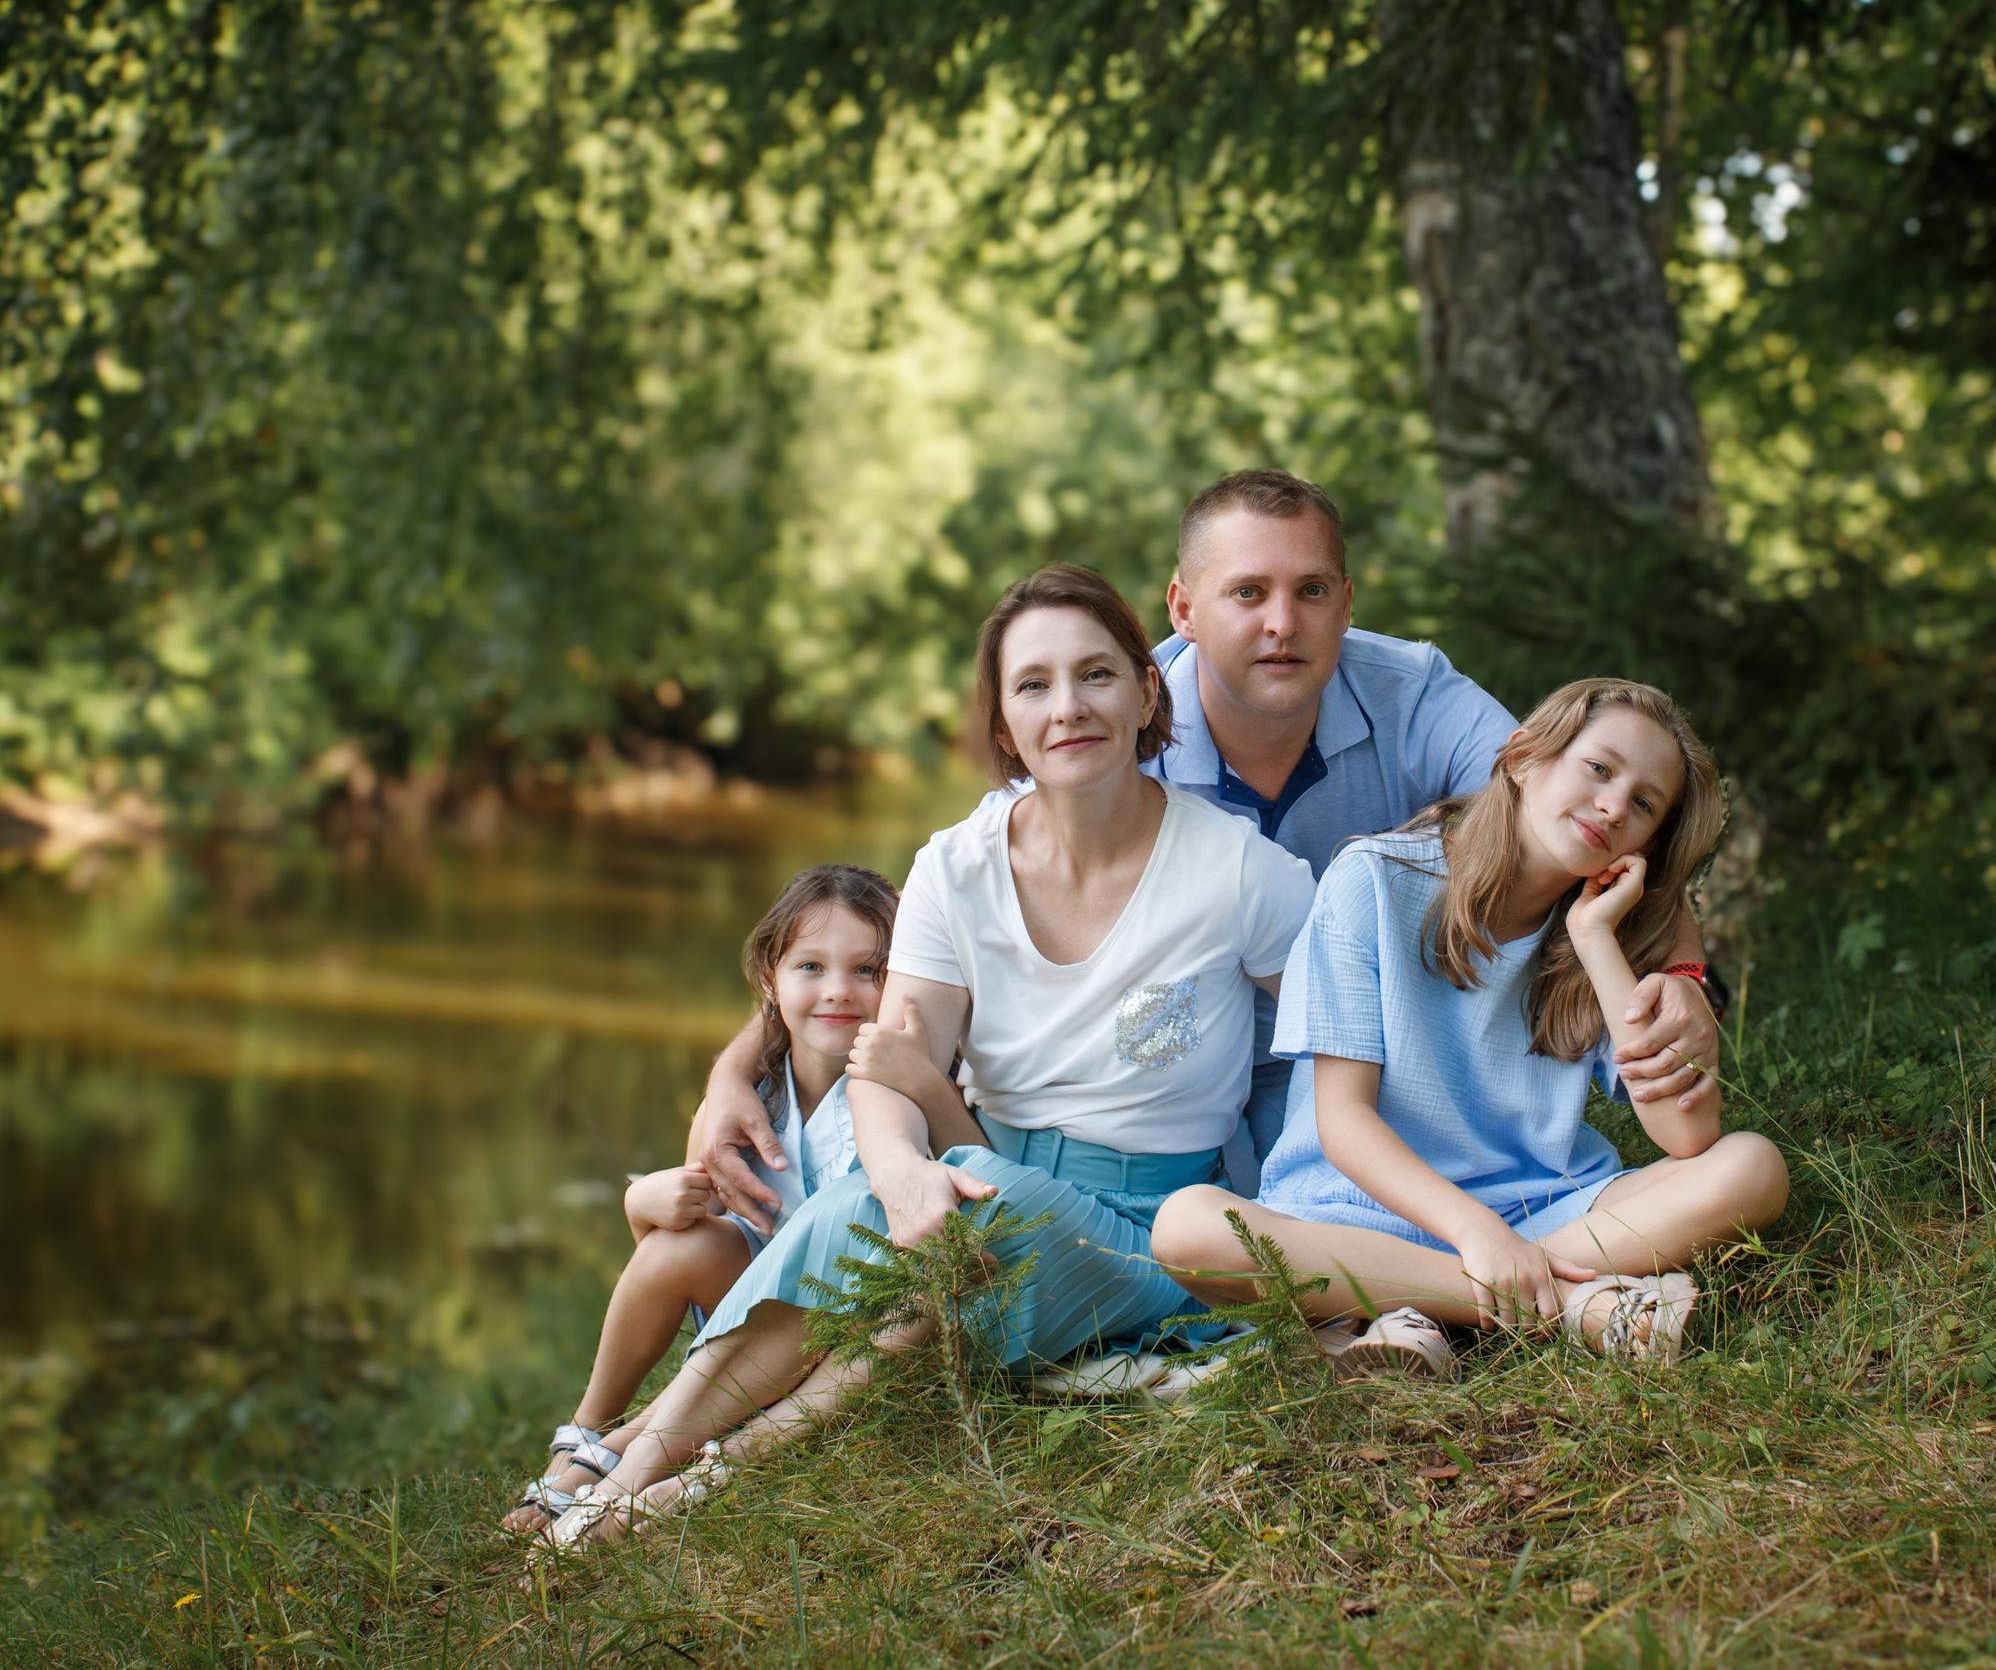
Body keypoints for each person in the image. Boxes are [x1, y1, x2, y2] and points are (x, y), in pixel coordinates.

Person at [683, 470, 1723, 1216]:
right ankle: (723, 1229)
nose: (1282, 621)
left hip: (1380, 1050)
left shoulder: (1416, 697)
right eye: (1247, 593)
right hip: (1202, 1074)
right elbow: (937, 950)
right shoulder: (1106, 728)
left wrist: (1673, 971)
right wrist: (747, 1057)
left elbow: (1582, 815)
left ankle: (1447, 1261)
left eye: (1310, 590)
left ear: (1345, 604)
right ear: (1183, 609)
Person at [538, 566, 1315, 1549]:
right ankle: (631, 1479)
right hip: (981, 1171)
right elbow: (891, 1061)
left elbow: (1352, 1038)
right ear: (999, 719)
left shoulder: (1237, 871)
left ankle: (678, 1485)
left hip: (1145, 1234)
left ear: (1146, 690)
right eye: (1031, 684)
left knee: (974, 1202)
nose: (1067, 706)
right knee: (888, 1201)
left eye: (1096, 675)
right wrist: (902, 1172)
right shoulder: (957, 864)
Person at [1150, 680, 1790, 1376]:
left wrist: (1597, 941)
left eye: (1643, 804)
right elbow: (1343, 1121)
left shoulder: (1611, 933)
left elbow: (1686, 1136)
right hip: (1357, 1216)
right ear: (1522, 758)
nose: (1612, 805)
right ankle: (1577, 1304)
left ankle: (1419, 1309)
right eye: (1599, 769)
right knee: (1189, 1227)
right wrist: (1475, 1234)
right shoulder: (1372, 879)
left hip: (1538, 1207)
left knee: (1750, 1167)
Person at [498, 864, 955, 1533]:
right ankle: (589, 1429)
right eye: (810, 967)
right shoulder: (747, 1099)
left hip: (854, 1314)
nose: (838, 991)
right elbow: (677, 1249)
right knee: (679, 1246)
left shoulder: (910, 1083)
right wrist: (642, 1206)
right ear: (769, 979)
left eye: (868, 969)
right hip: (748, 1310)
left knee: (799, 1316)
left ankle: (618, 1455)